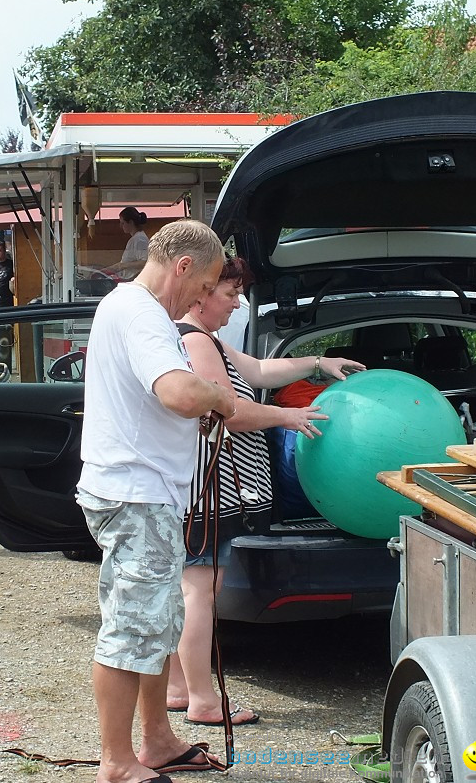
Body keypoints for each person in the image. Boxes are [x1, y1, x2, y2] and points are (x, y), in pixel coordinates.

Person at [165, 257, 366, 727]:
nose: (237, 304)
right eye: (230, 293)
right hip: (211, 492)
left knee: (186, 590)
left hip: (205, 492)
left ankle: (177, 688)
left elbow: (256, 370)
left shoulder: (205, 339)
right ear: (201, 292)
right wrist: (287, 417)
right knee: (199, 593)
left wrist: (319, 363)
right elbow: (229, 412)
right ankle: (204, 700)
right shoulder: (195, 340)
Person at [77, 219, 238, 783]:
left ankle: (157, 739)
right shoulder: (143, 314)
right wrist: (220, 396)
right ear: (184, 266)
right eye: (207, 283)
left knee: (155, 624)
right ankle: (117, 762)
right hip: (136, 494)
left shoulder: (129, 309)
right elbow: (177, 391)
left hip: (140, 493)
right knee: (131, 629)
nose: (203, 297)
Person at [104, 207, 149, 279]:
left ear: (131, 222)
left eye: (123, 223)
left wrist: (125, 265)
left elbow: (145, 263)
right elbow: (121, 264)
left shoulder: (140, 239)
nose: (121, 226)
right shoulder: (135, 239)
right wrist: (103, 271)